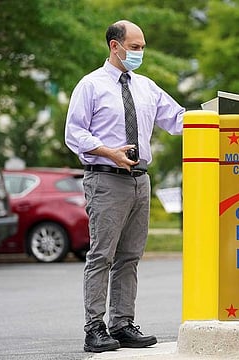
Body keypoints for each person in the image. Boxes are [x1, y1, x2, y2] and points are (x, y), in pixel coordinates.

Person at [65, 20, 184, 353]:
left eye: (143, 47)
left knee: (130, 257)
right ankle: (94, 328)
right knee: (102, 255)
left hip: (139, 181)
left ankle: (122, 324)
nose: (140, 53)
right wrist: (109, 152)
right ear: (114, 46)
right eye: (134, 47)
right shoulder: (90, 85)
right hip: (105, 178)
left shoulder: (146, 87)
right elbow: (75, 133)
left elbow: (176, 120)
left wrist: (215, 118)